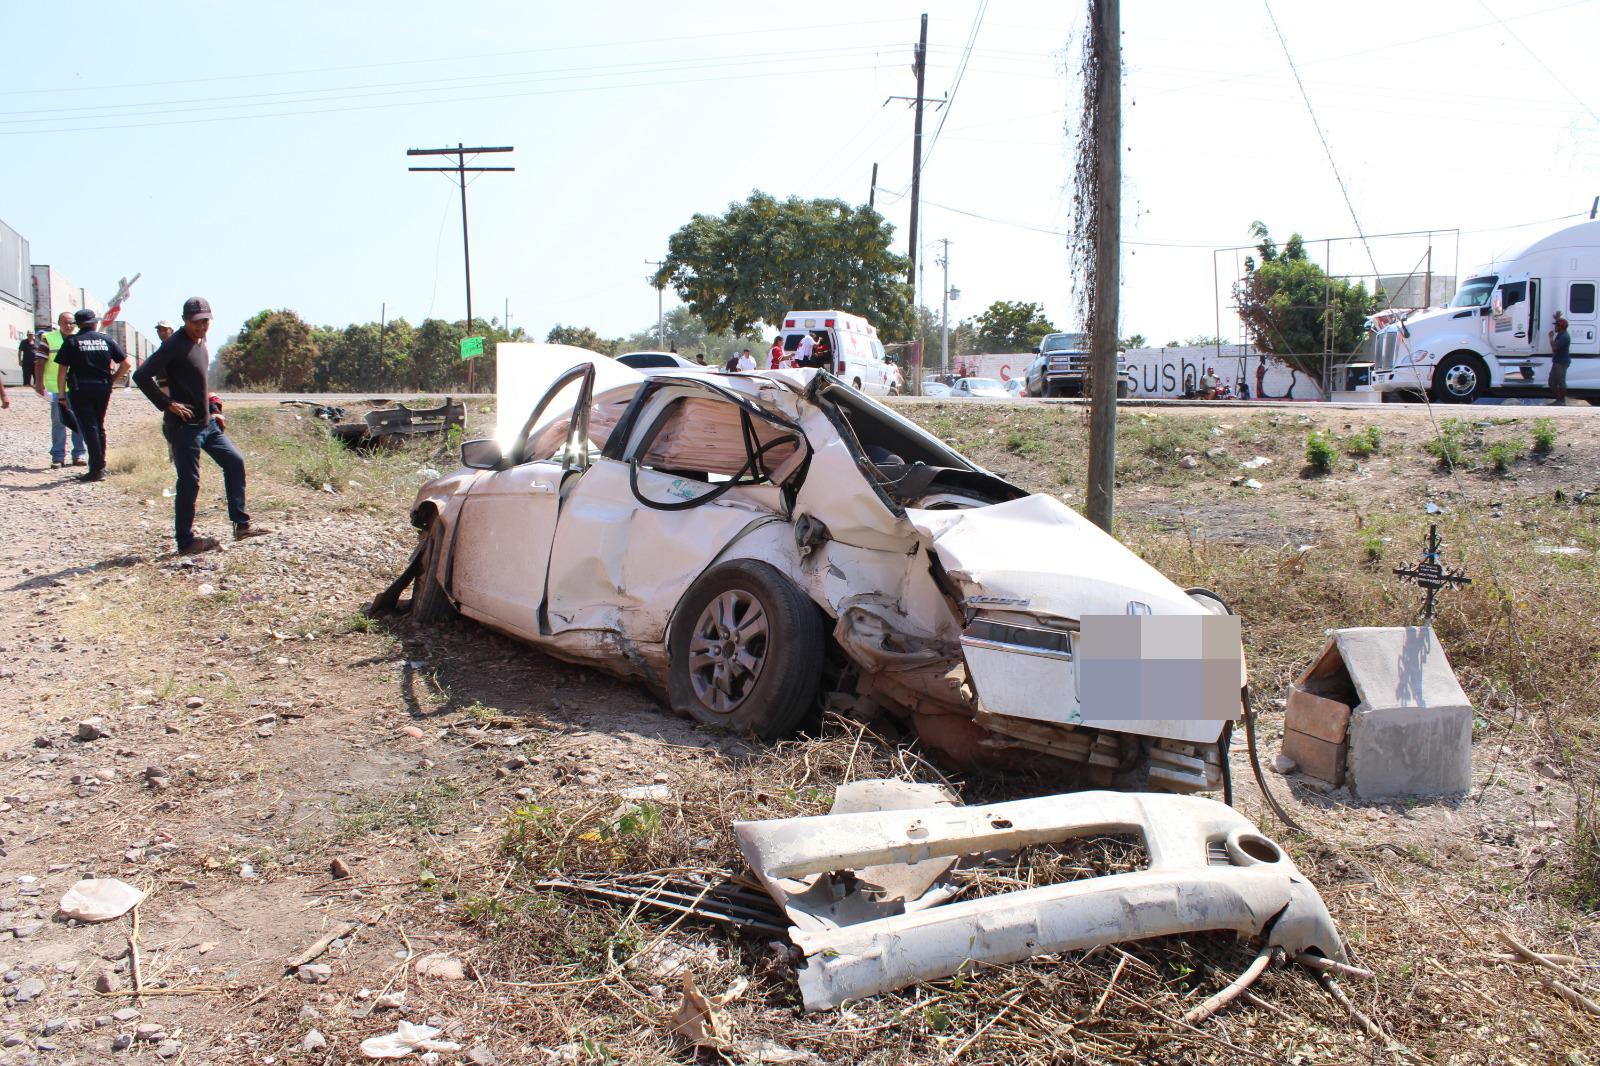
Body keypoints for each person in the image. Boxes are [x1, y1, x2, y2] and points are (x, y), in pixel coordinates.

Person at [134, 297, 269, 555]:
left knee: (234, 461)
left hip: (207, 425)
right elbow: (141, 375)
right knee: (190, 481)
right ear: (185, 320)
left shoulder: (201, 343)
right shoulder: (174, 344)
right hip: (183, 427)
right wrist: (167, 403)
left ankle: (242, 525)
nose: (202, 326)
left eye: (206, 321)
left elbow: (199, 383)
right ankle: (185, 542)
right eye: (197, 322)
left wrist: (214, 410)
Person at [54, 308, 127, 482]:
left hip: (81, 390)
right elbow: (126, 364)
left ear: (78, 325)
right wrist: (112, 380)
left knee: (89, 427)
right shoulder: (106, 340)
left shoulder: (72, 342)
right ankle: (100, 464)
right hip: (102, 389)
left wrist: (62, 396)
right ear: (94, 323)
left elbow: (62, 371)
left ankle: (96, 469)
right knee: (99, 426)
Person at [36, 311, 86, 469]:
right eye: (65, 322)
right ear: (59, 323)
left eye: (72, 322)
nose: (69, 325)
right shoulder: (49, 339)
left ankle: (79, 454)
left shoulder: (81, 337)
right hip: (55, 387)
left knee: (78, 420)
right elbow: (40, 362)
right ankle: (58, 457)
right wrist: (38, 383)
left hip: (77, 387)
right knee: (59, 421)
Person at [1548, 313, 1571, 405]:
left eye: (1556, 325)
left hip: (1561, 362)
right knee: (1552, 382)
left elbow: (1554, 348)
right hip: (1557, 361)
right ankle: (1559, 399)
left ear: (1560, 327)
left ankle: (1562, 400)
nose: (1555, 327)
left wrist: (1550, 338)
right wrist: (1557, 318)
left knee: (1561, 382)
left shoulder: (1564, 337)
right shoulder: (1561, 333)